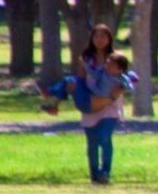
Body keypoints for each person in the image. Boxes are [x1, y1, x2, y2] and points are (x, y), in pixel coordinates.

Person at [41, 26, 132, 185]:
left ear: (109, 38)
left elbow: (127, 78)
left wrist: (118, 92)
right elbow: (81, 78)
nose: (99, 39)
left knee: (104, 138)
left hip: (109, 103)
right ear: (92, 38)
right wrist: (76, 89)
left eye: (103, 36)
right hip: (91, 100)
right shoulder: (86, 58)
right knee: (92, 143)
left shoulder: (115, 57)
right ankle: (95, 175)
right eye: (96, 36)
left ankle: (105, 172)